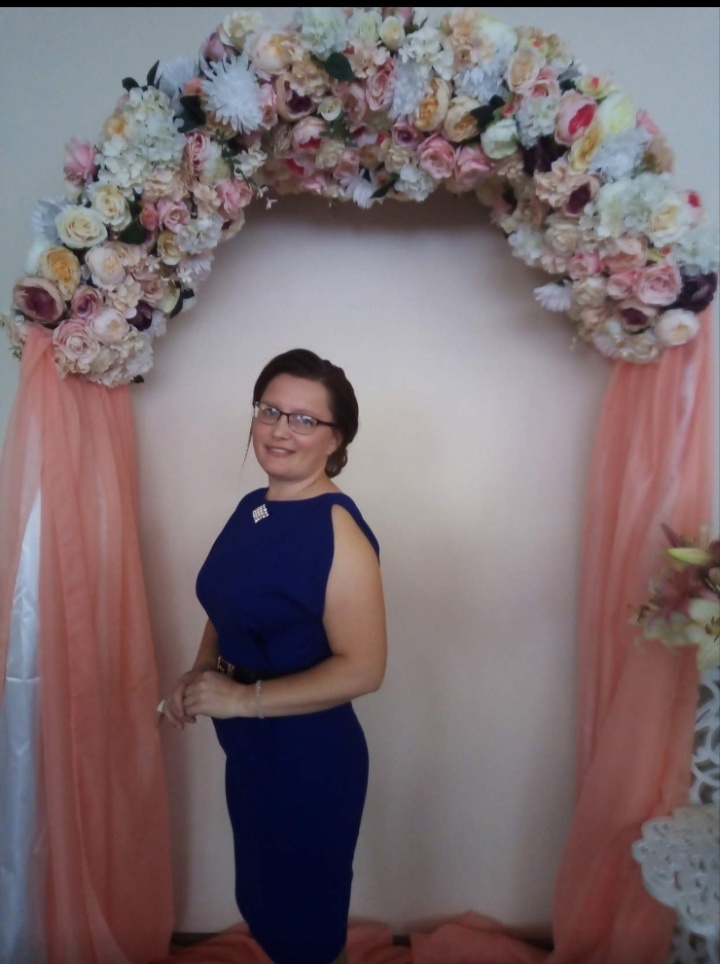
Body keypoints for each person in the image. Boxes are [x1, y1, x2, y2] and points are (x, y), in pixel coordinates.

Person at [161, 348, 387, 964]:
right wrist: (200, 671)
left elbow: (365, 668)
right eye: (270, 410)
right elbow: (227, 603)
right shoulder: (254, 508)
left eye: (305, 419)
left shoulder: (337, 530)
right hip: (250, 746)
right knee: (266, 903)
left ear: (336, 439)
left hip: (308, 756)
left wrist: (240, 698)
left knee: (305, 922)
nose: (281, 430)